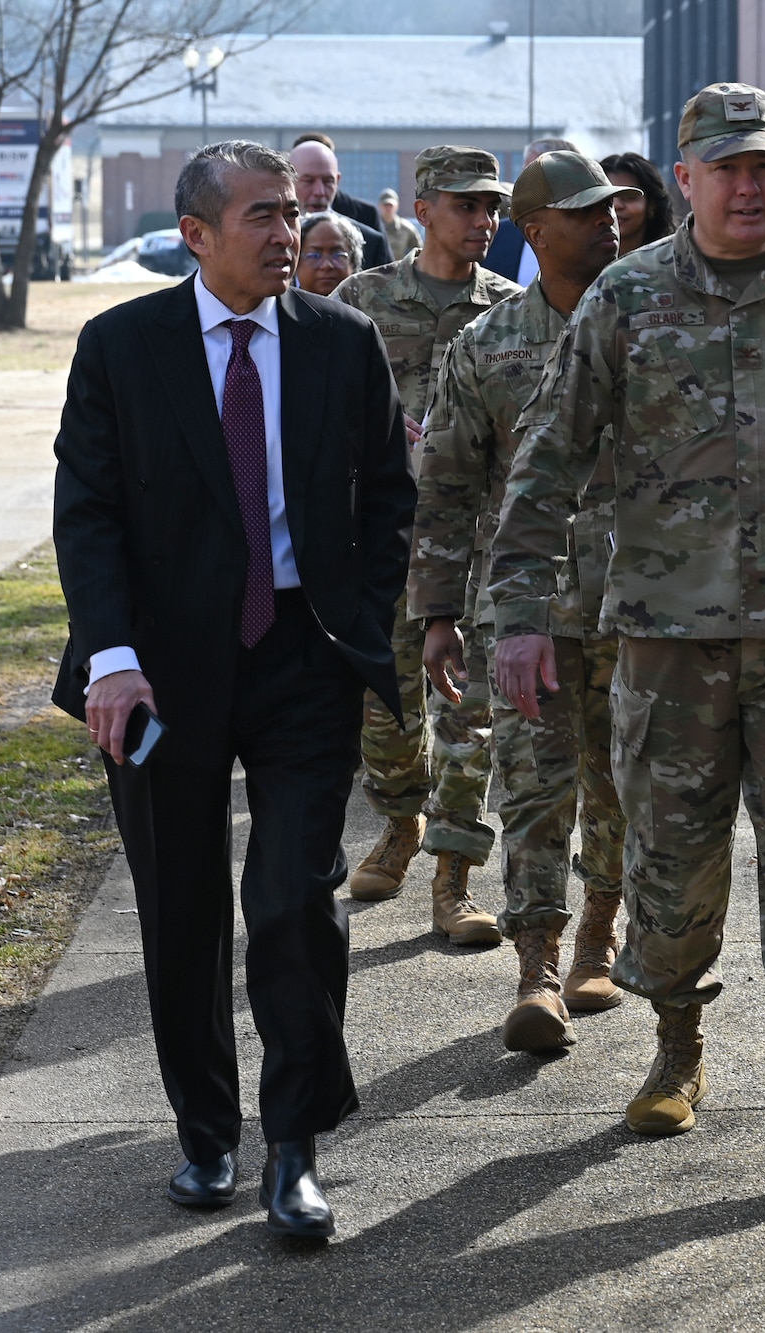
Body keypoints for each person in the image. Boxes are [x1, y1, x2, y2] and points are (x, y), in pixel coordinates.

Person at [486, 85, 765, 1183]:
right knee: (671, 861)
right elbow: (546, 455)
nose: (748, 186)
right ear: (682, 180)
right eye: (726, 168)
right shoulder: (627, 297)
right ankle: (675, 1048)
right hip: (667, 641)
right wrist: (517, 614)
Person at [51, 140, 414, 1239]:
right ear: (193, 236)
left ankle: (293, 1146)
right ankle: (206, 1132)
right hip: (161, 671)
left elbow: (389, 496)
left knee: (293, 903)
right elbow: (88, 513)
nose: (283, 233)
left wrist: (362, 614)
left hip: (302, 657)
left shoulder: (342, 342)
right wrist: (110, 656)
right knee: (183, 907)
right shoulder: (120, 346)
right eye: (256, 216)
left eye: (285, 215)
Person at [409, 152, 638, 1053]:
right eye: (583, 211)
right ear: (535, 230)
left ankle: (598, 936)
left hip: (637, 605)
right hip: (525, 611)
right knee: (535, 791)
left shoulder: (653, 325)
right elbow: (449, 484)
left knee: (619, 788)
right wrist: (437, 611)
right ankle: (536, 967)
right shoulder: (489, 343)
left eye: (612, 207)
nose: (607, 220)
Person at [333, 146, 520, 944]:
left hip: (479, 544)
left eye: (493, 209)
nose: (485, 221)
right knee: (385, 714)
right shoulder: (363, 298)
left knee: (467, 715)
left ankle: (454, 878)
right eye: (470, 205)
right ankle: (402, 822)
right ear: (427, 207)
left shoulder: (513, 306)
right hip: (386, 541)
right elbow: (315, 409)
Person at [479, 136, 578, 285]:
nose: (526, 182)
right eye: (525, 173)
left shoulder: (590, 235)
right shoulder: (499, 235)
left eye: (537, 174)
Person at [289, 135, 393, 269]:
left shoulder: (370, 243)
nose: (319, 191)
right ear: (289, 181)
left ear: (338, 180)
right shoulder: (274, 237)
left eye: (328, 181)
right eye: (308, 181)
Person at [600, 151, 676, 255]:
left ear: (651, 206)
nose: (616, 205)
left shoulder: (674, 262)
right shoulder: (580, 265)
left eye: (629, 197)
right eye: (607, 198)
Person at [297, 209, 363, 297]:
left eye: (338, 255)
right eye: (315, 256)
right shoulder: (277, 308)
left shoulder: (370, 309)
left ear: (353, 263)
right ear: (297, 262)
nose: (327, 266)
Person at [377, 188, 422, 259]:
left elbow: (419, 250)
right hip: (377, 269)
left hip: (399, 268)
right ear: (379, 206)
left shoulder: (407, 228)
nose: (388, 208)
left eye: (390, 205)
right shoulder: (374, 227)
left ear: (397, 206)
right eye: (385, 205)